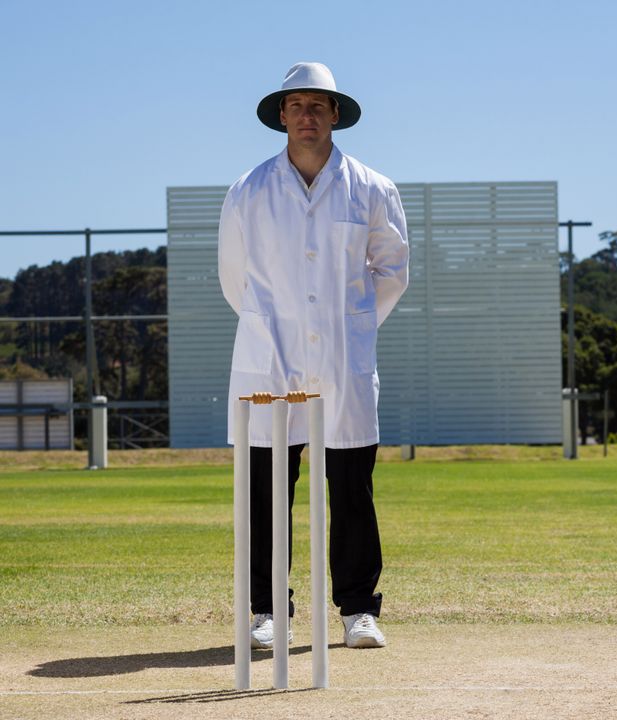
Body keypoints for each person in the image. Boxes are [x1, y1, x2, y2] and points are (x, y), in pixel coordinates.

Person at [218, 62, 409, 650]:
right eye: (296, 105)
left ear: (335, 116)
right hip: (267, 354)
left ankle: (358, 610)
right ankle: (267, 611)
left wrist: (348, 330)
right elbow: (233, 277)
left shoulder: (373, 188)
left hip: (343, 360)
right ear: (281, 114)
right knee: (266, 491)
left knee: (352, 485)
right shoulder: (248, 190)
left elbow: (392, 272)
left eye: (318, 106)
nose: (307, 116)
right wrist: (272, 328)